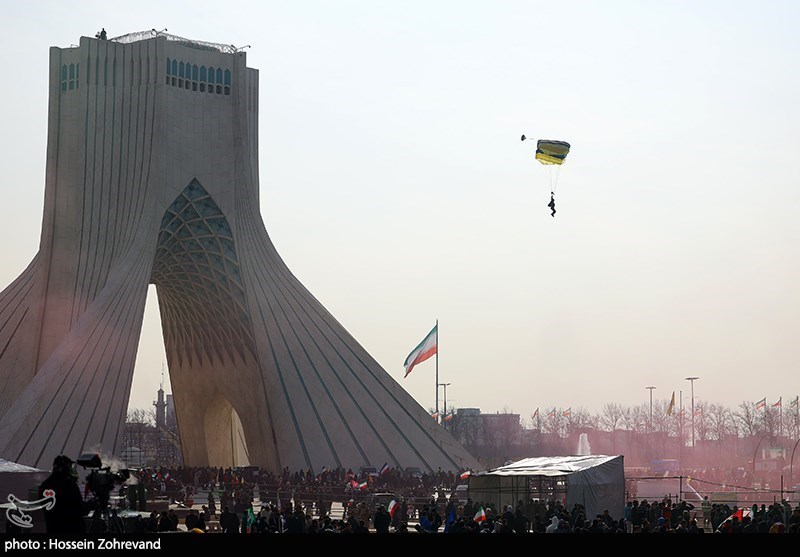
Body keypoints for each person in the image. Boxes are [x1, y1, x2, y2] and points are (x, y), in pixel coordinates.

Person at [38, 455, 85, 533]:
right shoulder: (69, 485)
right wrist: (92, 505)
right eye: (69, 467)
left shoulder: (45, 485)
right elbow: (79, 509)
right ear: (64, 468)